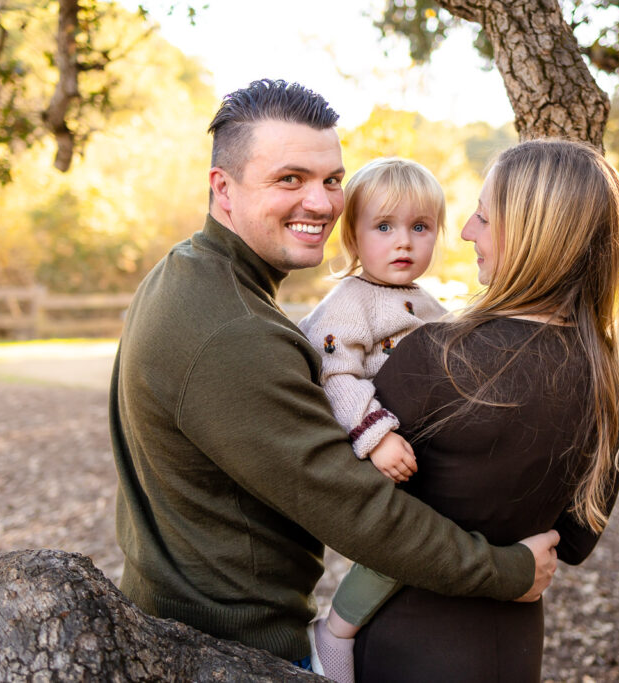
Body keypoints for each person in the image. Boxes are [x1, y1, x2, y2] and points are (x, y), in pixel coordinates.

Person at [108, 79, 560, 669]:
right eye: (289, 179)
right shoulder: (235, 332)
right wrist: (506, 570)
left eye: (331, 180)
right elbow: (357, 512)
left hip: (176, 625)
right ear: (223, 189)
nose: (321, 204)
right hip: (231, 653)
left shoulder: (184, 272)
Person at [352, 139, 619, 682]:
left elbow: (352, 509)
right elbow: (575, 541)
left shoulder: (437, 353)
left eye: (483, 216)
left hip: (408, 645)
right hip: (515, 647)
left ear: (532, 235)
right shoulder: (611, 370)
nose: (464, 231)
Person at [298, 158, 448, 680]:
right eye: (384, 227)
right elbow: (334, 374)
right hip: (374, 451)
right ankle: (336, 630)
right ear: (354, 238)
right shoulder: (351, 302)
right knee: (398, 544)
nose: (403, 242)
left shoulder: (428, 303)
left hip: (421, 452)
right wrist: (377, 435)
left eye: (419, 228)